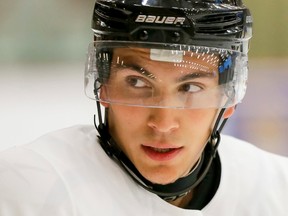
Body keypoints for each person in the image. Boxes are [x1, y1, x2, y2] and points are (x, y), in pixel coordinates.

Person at [0, 0, 287, 215]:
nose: (163, 123)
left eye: (190, 88)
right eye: (137, 83)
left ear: (228, 98)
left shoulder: (277, 189)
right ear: (104, 86)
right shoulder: (30, 187)